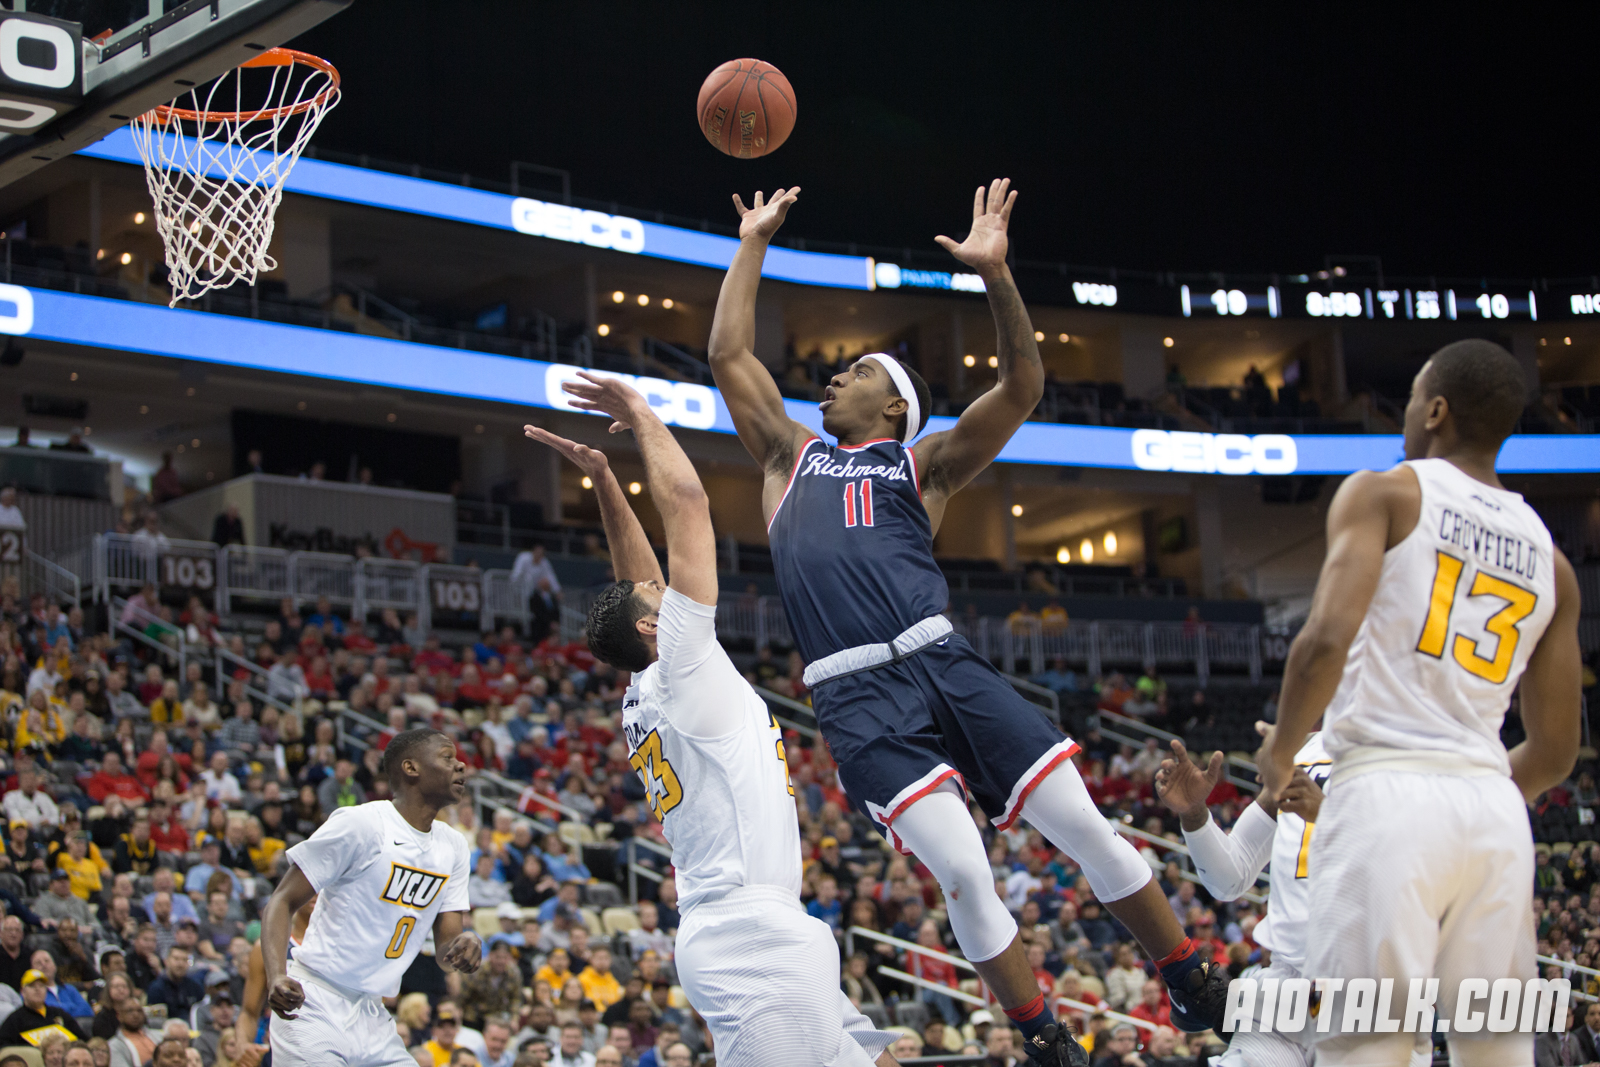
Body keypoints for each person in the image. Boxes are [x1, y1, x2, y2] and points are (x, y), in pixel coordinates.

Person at [707, 180, 1223, 1063]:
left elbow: (1023, 386)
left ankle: (1187, 974)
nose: (833, 377)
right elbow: (727, 352)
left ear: (895, 408)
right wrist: (752, 241)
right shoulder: (790, 456)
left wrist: (996, 275)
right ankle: (1044, 1036)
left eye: (858, 372)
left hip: (942, 660)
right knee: (962, 868)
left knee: (1085, 824)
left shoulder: (926, 465)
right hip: (855, 693)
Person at [525, 375, 896, 1067]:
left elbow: (632, 584)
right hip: (750, 934)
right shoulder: (682, 668)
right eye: (657, 593)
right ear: (653, 625)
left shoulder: (649, 682)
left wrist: (605, 480)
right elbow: (690, 505)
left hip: (747, 925)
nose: (664, 585)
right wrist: (642, 414)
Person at [1263, 340, 1582, 1067]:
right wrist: (1473, 786)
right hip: (1494, 812)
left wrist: (1280, 753)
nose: (1406, 413)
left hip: (1386, 793)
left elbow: (1323, 641)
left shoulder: (1385, 493)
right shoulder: (1554, 562)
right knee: (1498, 1049)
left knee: (1367, 1043)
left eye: (1410, 399)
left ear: (1435, 410)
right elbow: (1556, 750)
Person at [259, 728, 483, 1066]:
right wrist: (277, 974)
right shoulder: (361, 823)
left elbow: (445, 952)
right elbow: (281, 900)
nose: (461, 765)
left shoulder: (454, 847)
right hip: (315, 1001)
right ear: (411, 768)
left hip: (373, 1014)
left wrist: (465, 945)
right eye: (447, 757)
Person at [0, 968, 86, 1046]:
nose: (37, 989)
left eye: (41, 985)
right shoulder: (15, 1020)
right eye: (32, 986)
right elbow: (4, 1047)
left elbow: (83, 1039)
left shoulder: (58, 1013)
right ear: (23, 991)